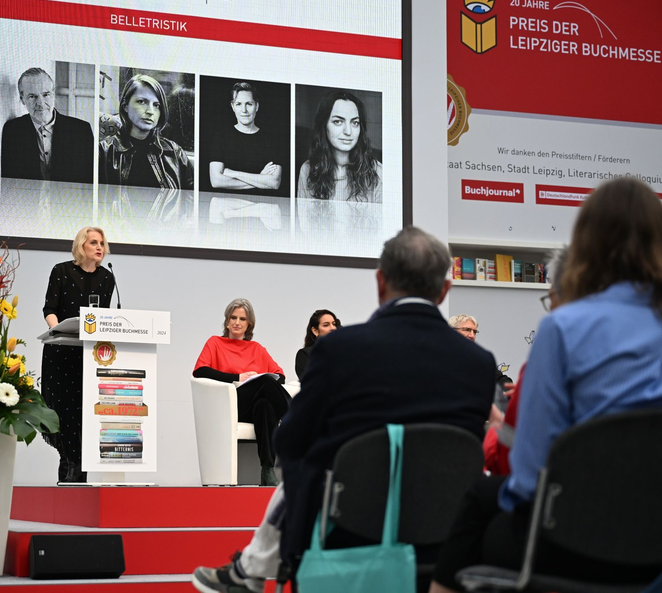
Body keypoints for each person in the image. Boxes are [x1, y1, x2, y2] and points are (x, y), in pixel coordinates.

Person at [192, 227, 496, 593]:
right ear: (444, 290)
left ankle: (251, 570)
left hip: (351, 527)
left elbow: (290, 441)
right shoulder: (478, 363)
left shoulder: (340, 350)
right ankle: (249, 570)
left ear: (381, 282)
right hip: (444, 531)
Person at [430, 178, 662, 593]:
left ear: (586, 242)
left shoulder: (563, 329)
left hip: (574, 540)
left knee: (479, 503)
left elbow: (528, 478)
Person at [483, 248, 569, 476]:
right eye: (465, 329)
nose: (470, 334)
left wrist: (494, 429)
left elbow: (507, 459)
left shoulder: (555, 335)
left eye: (473, 330)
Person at [41, 226, 115, 483]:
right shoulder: (61, 271)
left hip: (88, 356)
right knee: (66, 417)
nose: (100, 248)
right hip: (62, 354)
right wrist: (57, 331)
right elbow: (50, 309)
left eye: (102, 243)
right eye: (94, 242)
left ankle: (74, 481)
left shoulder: (107, 278)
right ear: (81, 245)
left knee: (84, 417)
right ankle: (70, 477)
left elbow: (102, 318)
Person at [192, 299, 289, 487]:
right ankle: (297, 419)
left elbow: (280, 376)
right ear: (227, 321)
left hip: (253, 406)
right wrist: (238, 377)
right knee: (266, 383)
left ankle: (268, 470)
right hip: (229, 404)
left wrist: (258, 379)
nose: (237, 322)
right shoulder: (215, 343)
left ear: (249, 324)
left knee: (265, 406)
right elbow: (200, 371)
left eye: (242, 319)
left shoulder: (257, 348)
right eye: (233, 317)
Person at [99, 74, 194, 191]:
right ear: (125, 106)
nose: (150, 111)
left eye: (156, 105)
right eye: (141, 102)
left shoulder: (175, 153)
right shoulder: (103, 152)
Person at [1, 67, 94, 183]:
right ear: (22, 99)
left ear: (53, 94)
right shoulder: (12, 131)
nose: (40, 103)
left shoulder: (81, 131)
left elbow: (90, 181)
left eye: (46, 95)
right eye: (32, 96)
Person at [297, 90, 382, 203]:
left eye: (355, 123)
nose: (348, 131)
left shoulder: (378, 172)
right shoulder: (308, 170)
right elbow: (303, 220)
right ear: (324, 125)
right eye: (338, 122)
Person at [207, 82, 284, 195]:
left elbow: (274, 182)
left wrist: (233, 173)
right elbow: (216, 181)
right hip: (228, 209)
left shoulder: (272, 141)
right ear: (233, 107)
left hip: (261, 207)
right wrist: (260, 178)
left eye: (249, 104)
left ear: (257, 106)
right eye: (238, 104)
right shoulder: (221, 137)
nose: (244, 110)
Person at [449, 314, 513, 415]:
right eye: (467, 330)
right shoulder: (441, 356)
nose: (472, 335)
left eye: (474, 332)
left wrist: (507, 390)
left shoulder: (480, 358)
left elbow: (501, 379)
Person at [294, 309, 341, 380]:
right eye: (326, 325)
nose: (332, 328)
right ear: (315, 331)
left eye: (334, 324)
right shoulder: (305, 354)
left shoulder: (345, 352)